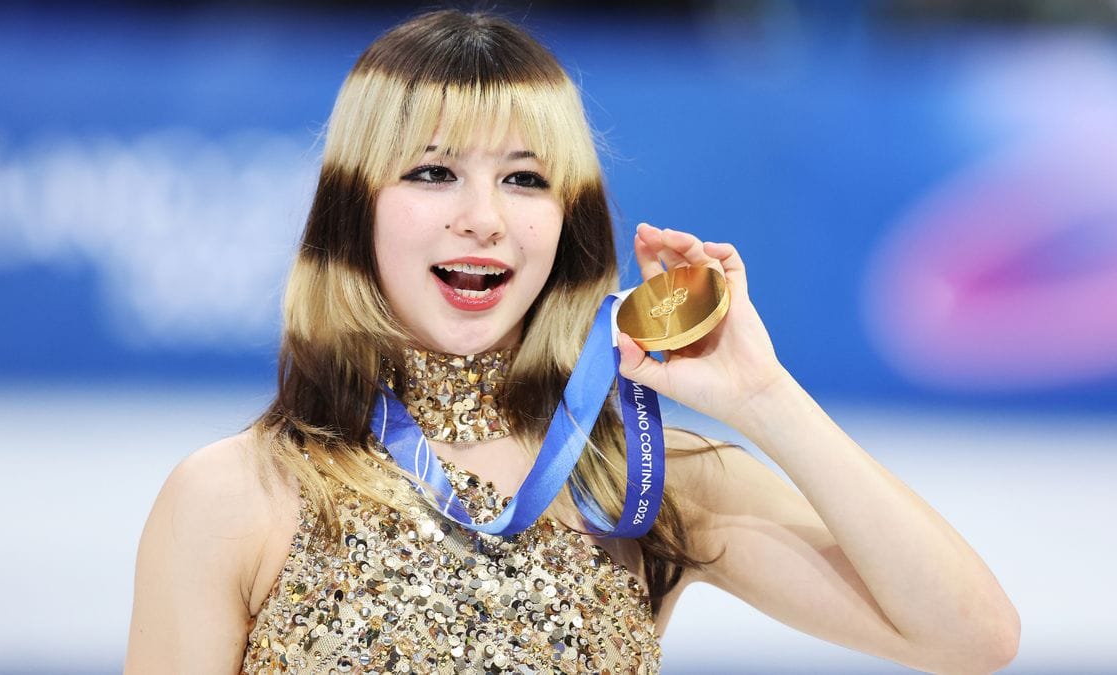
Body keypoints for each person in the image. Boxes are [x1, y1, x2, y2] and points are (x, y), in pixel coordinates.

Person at [124, 9, 1019, 674]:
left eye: (524, 179)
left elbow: (973, 636)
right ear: (356, 208)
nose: (482, 219)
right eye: (434, 172)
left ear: (568, 220)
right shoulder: (234, 496)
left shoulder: (637, 482)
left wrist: (765, 399)